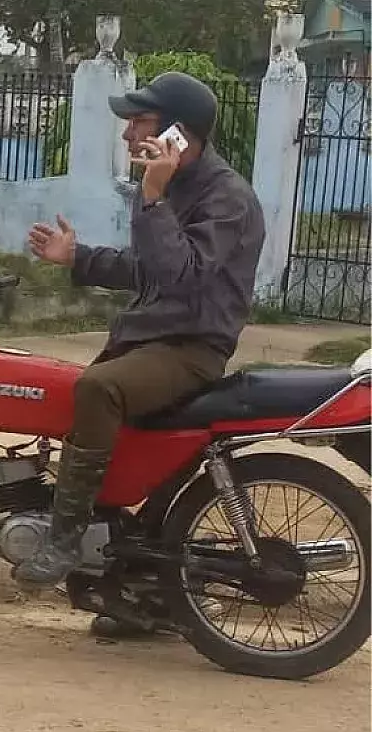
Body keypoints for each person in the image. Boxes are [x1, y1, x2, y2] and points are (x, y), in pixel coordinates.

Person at [20, 71, 264, 628]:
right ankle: (132, 590)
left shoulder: (226, 198)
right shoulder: (177, 185)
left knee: (98, 387)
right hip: (154, 340)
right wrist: (77, 257)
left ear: (180, 132)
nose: (129, 132)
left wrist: (152, 198)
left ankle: (63, 538)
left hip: (190, 348)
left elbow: (180, 274)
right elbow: (146, 267)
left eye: (141, 121)